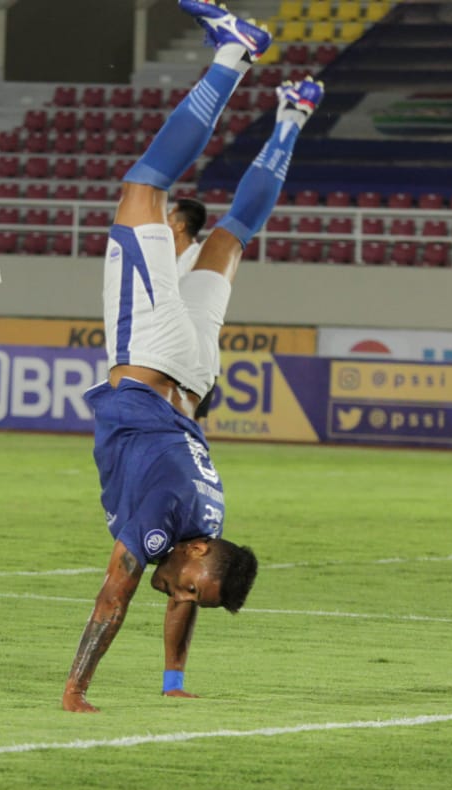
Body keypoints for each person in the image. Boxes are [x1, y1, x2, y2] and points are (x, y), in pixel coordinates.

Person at [61, 0, 324, 713]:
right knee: (144, 186)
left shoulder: (208, 513)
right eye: (190, 585)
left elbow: (179, 592)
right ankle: (232, 57)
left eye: (187, 592)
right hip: (152, 357)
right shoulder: (160, 523)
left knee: (232, 237)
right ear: (204, 554)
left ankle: (293, 116)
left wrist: (174, 679)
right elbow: (114, 591)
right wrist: (76, 687)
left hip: (195, 371)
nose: (178, 591)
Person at [168, 196, 217, 430]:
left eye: (168, 217)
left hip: (195, 359)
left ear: (179, 226)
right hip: (177, 356)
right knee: (178, 429)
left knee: (189, 429)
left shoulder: (198, 260)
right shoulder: (175, 262)